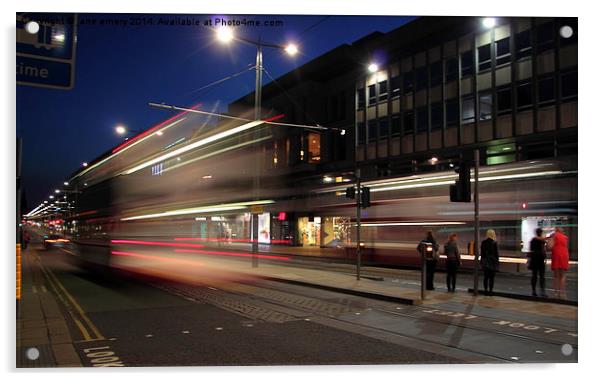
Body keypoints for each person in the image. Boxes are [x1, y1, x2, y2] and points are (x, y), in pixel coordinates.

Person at [549, 227, 569, 299]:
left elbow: (550, 246)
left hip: (557, 254)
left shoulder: (554, 235)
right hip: (565, 255)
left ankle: (556, 292)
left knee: (556, 275)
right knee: (563, 275)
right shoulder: (565, 237)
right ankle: (562, 293)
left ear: (556, 230)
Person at [528, 228, 547, 297]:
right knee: (542, 276)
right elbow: (544, 250)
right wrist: (545, 258)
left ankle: (534, 291)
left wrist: (529, 259)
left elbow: (530, 250)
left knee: (534, 276)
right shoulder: (543, 241)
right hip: (541, 260)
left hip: (534, 260)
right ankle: (542, 291)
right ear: (541, 233)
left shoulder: (532, 240)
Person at [480, 229, 499, 295]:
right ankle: (490, 291)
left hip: (485, 262)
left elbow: (482, 254)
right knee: (491, 278)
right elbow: (496, 255)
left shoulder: (483, 242)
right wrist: (497, 263)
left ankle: (485, 290)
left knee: (486, 277)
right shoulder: (494, 243)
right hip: (492, 262)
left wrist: (482, 262)